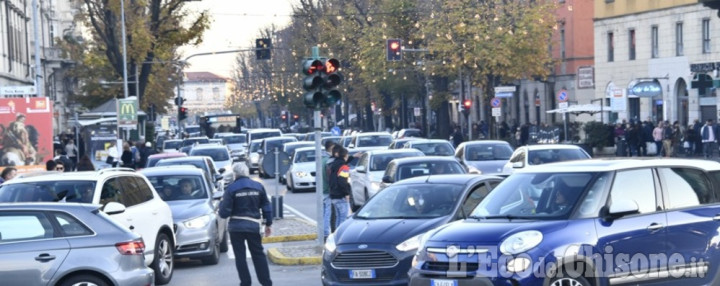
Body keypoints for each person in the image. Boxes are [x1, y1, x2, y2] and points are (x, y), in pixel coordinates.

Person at [218, 163, 272, 286]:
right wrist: (268, 223)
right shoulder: (258, 186)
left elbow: (224, 213)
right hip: (253, 227)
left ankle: (245, 283)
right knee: (258, 255)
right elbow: (266, 206)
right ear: (247, 173)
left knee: (240, 257)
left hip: (236, 228)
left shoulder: (231, 189)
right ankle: (266, 282)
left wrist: (222, 205)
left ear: (235, 174)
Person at [329, 146, 351, 229]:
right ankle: (340, 237)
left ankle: (336, 235)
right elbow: (342, 182)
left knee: (338, 217)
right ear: (345, 156)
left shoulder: (333, 164)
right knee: (343, 218)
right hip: (340, 195)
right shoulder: (344, 167)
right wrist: (347, 193)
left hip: (333, 194)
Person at [321, 141, 337, 241]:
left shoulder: (322, 159)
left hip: (322, 190)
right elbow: (329, 176)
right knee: (328, 213)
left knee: (324, 213)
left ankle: (323, 231)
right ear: (331, 148)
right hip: (328, 190)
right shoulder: (328, 161)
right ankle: (326, 233)